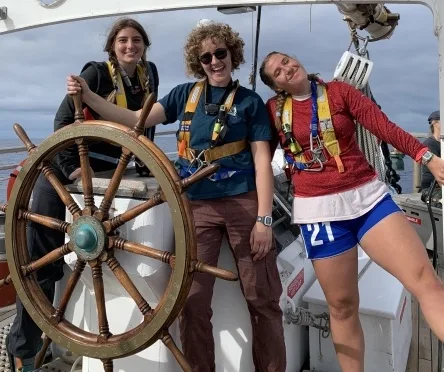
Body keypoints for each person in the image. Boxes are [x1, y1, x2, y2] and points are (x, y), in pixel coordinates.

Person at [67, 21, 286, 372]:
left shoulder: (250, 102)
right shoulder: (185, 94)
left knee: (262, 299)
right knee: (192, 302)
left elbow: (262, 159)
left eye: (220, 54)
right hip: (195, 207)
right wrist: (88, 97)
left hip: (242, 203)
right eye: (206, 57)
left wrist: (263, 219)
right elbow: (134, 119)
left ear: (233, 55)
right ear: (197, 62)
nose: (214, 62)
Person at [258, 51, 444, 372]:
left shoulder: (341, 92)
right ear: (277, 86)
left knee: (426, 281)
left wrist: (426, 156)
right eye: (278, 71)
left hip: (368, 199)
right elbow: (256, 157)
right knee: (342, 307)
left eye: (287, 61)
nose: (287, 68)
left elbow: (383, 127)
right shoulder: (273, 112)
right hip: (319, 213)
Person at [6, 17, 159, 372]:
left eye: (136, 40)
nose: (130, 46)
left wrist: (149, 164)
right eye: (123, 40)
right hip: (61, 168)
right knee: (39, 262)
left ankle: (55, 337)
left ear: (144, 46)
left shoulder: (147, 74)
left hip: (108, 168)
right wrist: (75, 167)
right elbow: (61, 124)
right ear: (112, 47)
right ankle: (24, 352)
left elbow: (142, 123)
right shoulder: (94, 73)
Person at [420, 110, 441, 203]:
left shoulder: (442, 144)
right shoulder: (429, 145)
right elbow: (439, 171)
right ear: (435, 123)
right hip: (431, 189)